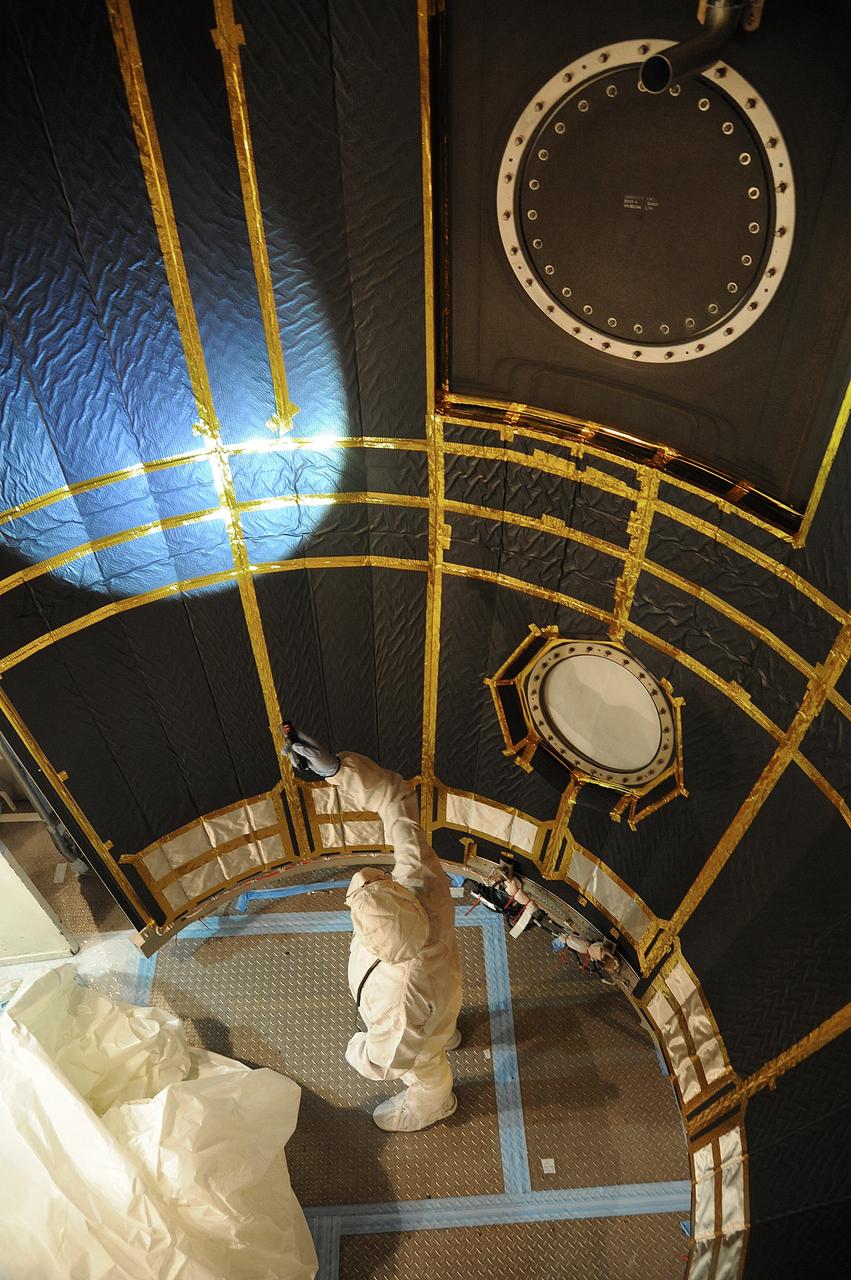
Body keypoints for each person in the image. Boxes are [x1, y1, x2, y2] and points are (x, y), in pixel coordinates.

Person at [283, 729, 462, 1132]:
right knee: (441, 1020)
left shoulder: (400, 996)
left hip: (420, 1020)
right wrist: (337, 769)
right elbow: (394, 799)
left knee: (425, 1065)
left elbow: (390, 1058)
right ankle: (446, 1031)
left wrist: (358, 1049)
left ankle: (435, 1102)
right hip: (444, 986)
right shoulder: (421, 879)